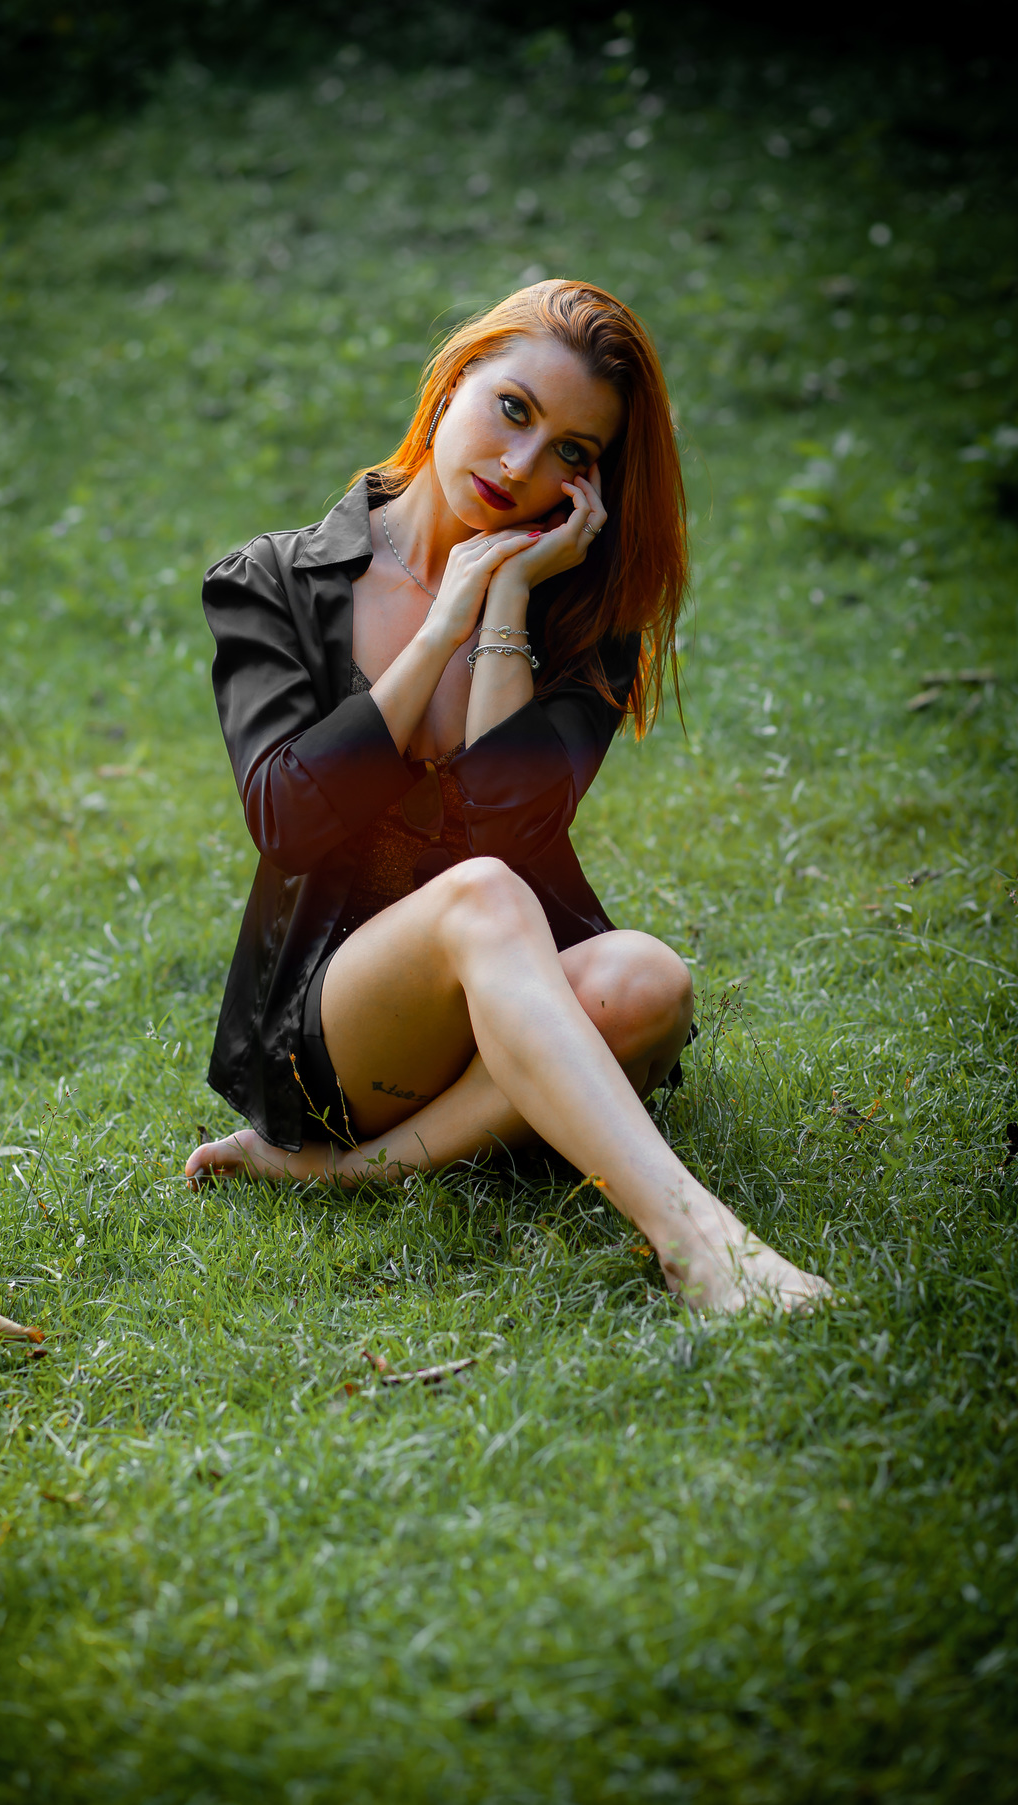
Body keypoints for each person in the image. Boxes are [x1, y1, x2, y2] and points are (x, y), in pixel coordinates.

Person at [186, 279, 828, 1315]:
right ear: (454, 381)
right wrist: (439, 625)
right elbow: (286, 817)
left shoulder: (586, 619)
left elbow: (508, 834)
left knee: (650, 980)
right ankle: (699, 1241)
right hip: (331, 1027)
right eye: (514, 410)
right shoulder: (272, 582)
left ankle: (356, 1173)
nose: (523, 465)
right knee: (480, 895)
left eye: (571, 450)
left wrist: (506, 605)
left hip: (502, 1003)